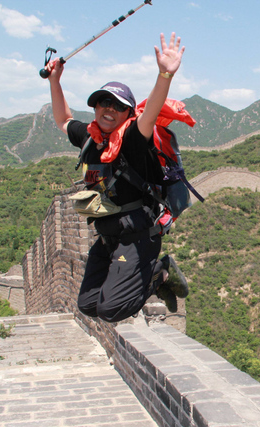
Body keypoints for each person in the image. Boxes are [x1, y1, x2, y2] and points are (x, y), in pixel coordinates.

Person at [44, 32, 189, 323]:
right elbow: (62, 120)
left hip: (138, 237)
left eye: (117, 106)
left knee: (111, 311)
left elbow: (148, 115)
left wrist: (164, 75)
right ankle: (147, 276)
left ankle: (159, 273)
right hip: (109, 237)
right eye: (102, 103)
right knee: (87, 306)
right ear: (95, 108)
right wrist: (54, 81)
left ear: (127, 113)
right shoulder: (90, 137)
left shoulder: (134, 140)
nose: (108, 109)